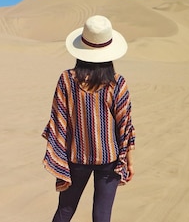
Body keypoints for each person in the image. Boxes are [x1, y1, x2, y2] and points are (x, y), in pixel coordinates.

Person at [42, 15, 136, 222]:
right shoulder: (117, 83)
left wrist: (60, 155)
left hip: (76, 158)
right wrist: (129, 161)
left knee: (65, 211)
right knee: (102, 216)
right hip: (108, 160)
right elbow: (125, 125)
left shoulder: (66, 79)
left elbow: (59, 121)